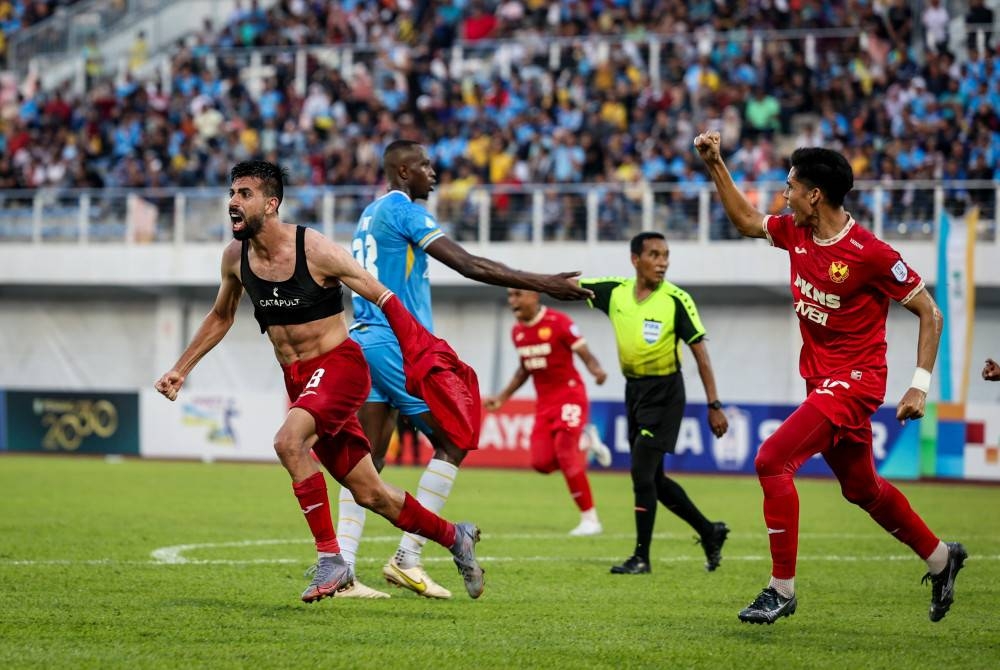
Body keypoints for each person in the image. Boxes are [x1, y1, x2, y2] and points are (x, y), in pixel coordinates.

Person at [153, 160, 484, 603]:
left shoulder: (313, 248)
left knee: (288, 442)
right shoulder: (235, 258)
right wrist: (181, 368)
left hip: (341, 367)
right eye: (232, 193)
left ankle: (332, 559)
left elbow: (379, 292)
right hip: (299, 380)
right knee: (370, 493)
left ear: (271, 204)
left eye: (245, 194)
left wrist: (416, 346)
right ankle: (455, 536)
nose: (233, 201)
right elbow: (221, 315)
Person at [694, 131, 968, 624]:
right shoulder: (796, 232)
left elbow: (930, 311)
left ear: (814, 195)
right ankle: (941, 558)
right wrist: (715, 163)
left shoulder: (871, 253)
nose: (785, 195)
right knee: (861, 487)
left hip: (857, 381)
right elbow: (747, 220)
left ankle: (780, 590)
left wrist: (919, 384)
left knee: (771, 460)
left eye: (791, 186)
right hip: (821, 382)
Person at [339, 139, 593, 599]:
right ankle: (407, 557)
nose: (433, 172)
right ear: (403, 172)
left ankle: (343, 570)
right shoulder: (404, 210)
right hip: (397, 342)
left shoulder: (369, 214)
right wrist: (545, 283)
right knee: (454, 439)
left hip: (363, 339)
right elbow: (469, 264)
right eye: (424, 165)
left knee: (367, 461)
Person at [578, 232, 731, 575]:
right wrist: (526, 281)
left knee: (641, 471)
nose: (662, 262)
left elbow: (701, 354)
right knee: (654, 480)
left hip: (665, 394)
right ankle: (710, 531)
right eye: (655, 255)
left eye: (666, 255)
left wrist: (714, 405)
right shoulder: (615, 292)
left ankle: (641, 558)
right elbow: (571, 286)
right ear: (636, 259)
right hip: (634, 391)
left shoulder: (676, 299)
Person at [484, 288, 612, 536]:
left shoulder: (559, 322)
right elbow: (524, 369)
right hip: (544, 404)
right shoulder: (517, 332)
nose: (512, 301)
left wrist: (597, 371)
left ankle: (590, 520)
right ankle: (585, 440)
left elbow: (585, 354)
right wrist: (502, 397)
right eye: (510, 296)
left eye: (518, 295)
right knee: (541, 463)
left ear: (534, 296)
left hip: (570, 396)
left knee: (565, 453)